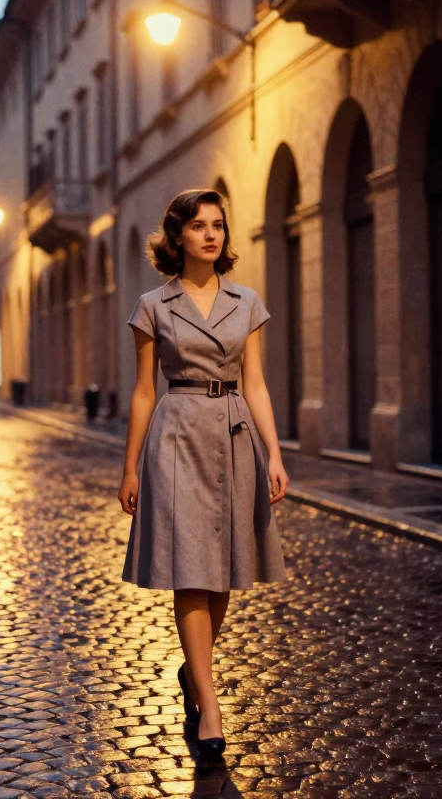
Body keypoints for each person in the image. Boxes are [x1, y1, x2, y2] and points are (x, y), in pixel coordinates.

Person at [117, 188, 288, 762]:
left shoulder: (247, 301)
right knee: (190, 567)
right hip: (176, 436)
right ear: (177, 237)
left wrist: (276, 453)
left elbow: (257, 382)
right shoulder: (153, 306)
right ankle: (210, 703)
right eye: (198, 226)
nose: (211, 234)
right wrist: (131, 466)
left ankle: (194, 672)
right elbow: (144, 391)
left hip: (236, 432)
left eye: (218, 225)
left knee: (223, 573)